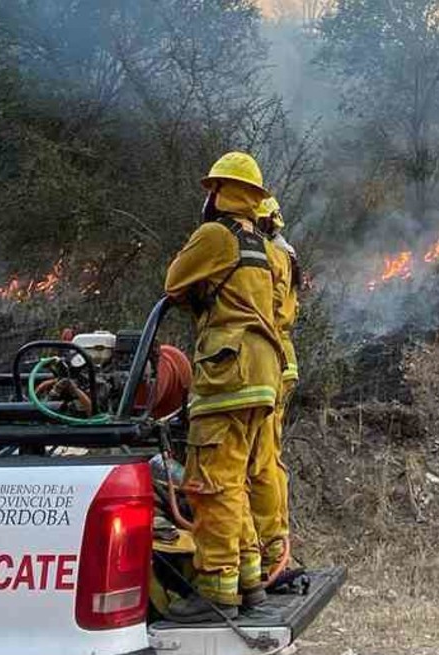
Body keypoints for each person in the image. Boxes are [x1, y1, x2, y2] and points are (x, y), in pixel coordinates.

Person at [163, 152, 288, 622]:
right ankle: (249, 581)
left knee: (212, 484)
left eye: (213, 190)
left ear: (220, 192)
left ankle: (216, 588)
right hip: (264, 377)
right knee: (237, 483)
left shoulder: (216, 235)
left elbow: (174, 282)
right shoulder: (263, 245)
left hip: (227, 375)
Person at [254, 196, 300, 583]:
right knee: (269, 457)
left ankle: (269, 552)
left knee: (262, 460)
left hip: (267, 359)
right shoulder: (285, 252)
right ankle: (273, 546)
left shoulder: (266, 254)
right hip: (279, 358)